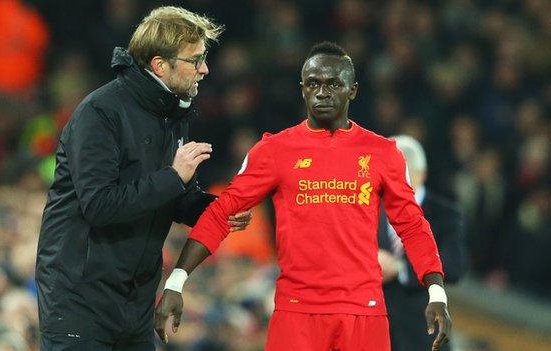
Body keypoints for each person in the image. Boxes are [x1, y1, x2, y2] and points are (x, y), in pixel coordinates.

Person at [155, 41, 452, 351]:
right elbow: (221, 212)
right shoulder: (273, 151)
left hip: (363, 312)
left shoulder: (383, 153)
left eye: (334, 83)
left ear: (353, 90)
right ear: (302, 89)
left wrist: (437, 292)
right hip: (297, 312)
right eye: (314, 83)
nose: (322, 92)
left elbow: (413, 226)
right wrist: (177, 281)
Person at [35, 6, 252, 350]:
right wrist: (173, 177)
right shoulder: (100, 113)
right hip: (80, 302)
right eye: (194, 60)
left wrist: (219, 209)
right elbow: (99, 206)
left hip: (134, 303)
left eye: (204, 58)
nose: (205, 69)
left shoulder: (170, 113)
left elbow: (172, 195)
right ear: (159, 65)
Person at [378, 135, 466, 351]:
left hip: (419, 334)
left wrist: (401, 268)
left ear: (422, 175)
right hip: (371, 328)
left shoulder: (445, 215)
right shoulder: (367, 205)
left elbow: (454, 267)